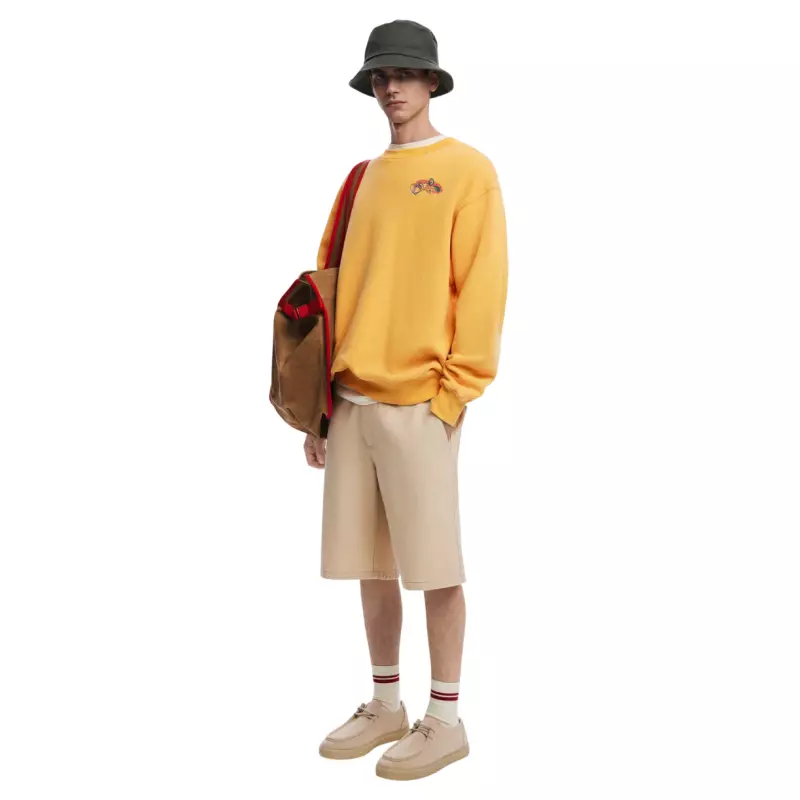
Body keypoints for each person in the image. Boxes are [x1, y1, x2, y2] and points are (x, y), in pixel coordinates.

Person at [304, 19, 508, 781]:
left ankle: (445, 720)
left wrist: (453, 396)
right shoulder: (361, 178)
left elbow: (482, 286)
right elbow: (330, 290)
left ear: (432, 82)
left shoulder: (466, 171)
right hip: (351, 398)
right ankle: (386, 703)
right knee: (372, 563)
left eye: (404, 74)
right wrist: (320, 407)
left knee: (435, 565)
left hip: (423, 400)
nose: (390, 87)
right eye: (380, 76)